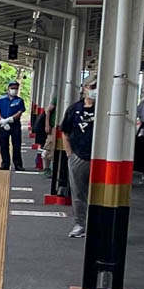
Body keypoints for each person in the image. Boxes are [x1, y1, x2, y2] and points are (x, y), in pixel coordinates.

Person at [61, 80, 97, 238]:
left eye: (97, 87)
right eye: (92, 87)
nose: (94, 90)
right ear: (84, 89)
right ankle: (80, 224)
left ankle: (97, 225)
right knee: (78, 193)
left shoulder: (105, 109)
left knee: (99, 192)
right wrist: (70, 154)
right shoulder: (74, 109)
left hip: (100, 158)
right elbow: (65, 131)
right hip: (78, 156)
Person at [0, 80, 26, 170]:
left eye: (16, 88)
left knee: (16, 145)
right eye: (12, 88)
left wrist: (10, 119)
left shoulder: (19, 101)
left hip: (15, 125)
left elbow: (20, 112)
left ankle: (18, 164)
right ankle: (5, 164)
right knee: (3, 145)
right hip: (3, 125)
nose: (14, 90)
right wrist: (2, 120)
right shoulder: (1, 99)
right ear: (8, 89)